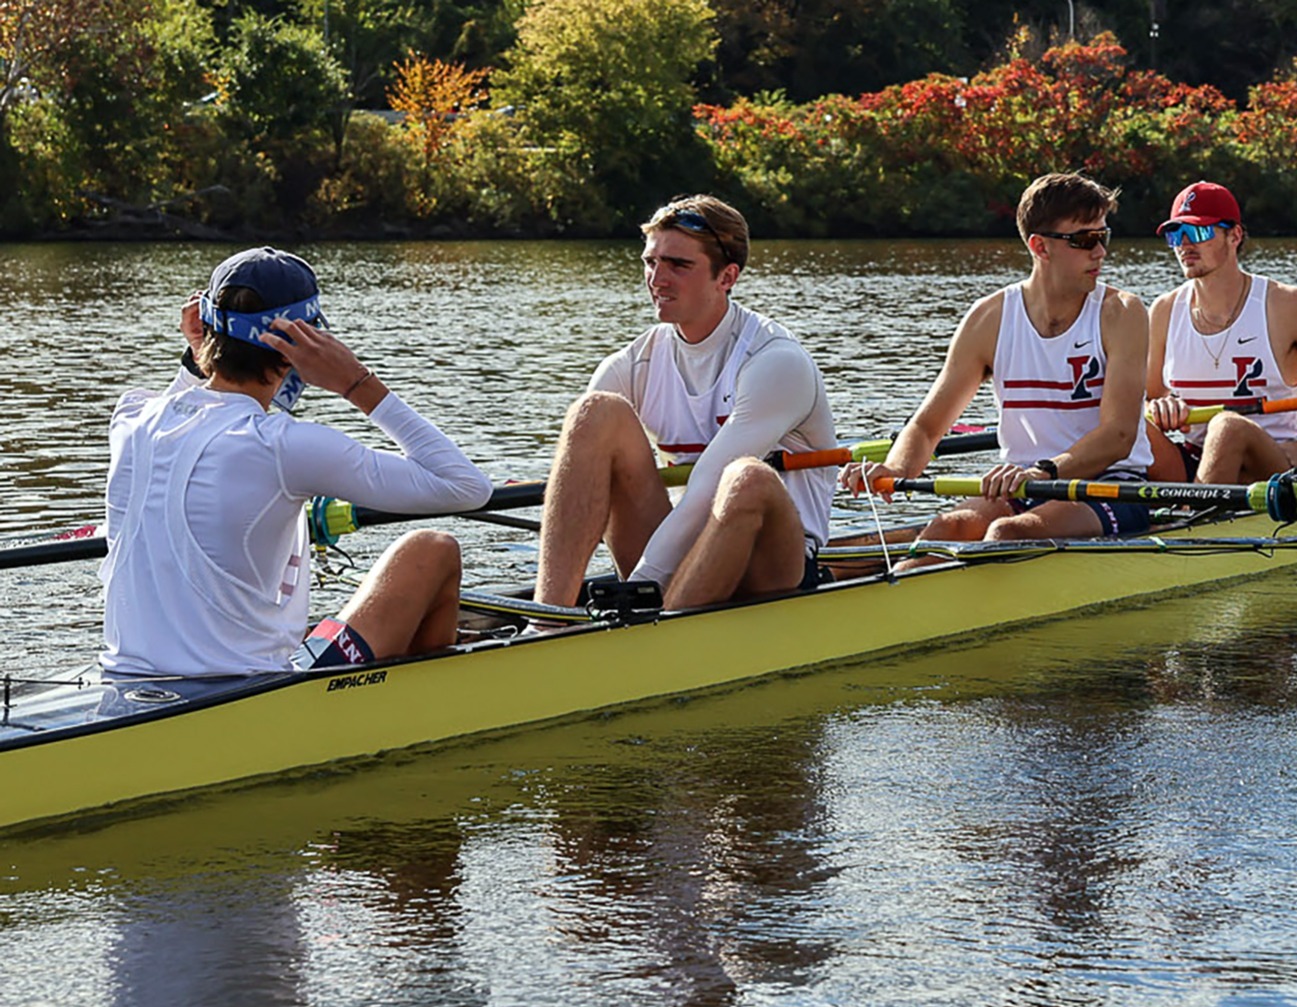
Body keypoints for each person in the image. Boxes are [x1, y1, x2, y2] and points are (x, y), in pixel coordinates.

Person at [101, 247, 492, 679]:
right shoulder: (282, 446)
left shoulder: (133, 418)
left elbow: (190, 405)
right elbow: (466, 487)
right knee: (432, 550)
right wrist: (355, 382)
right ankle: (421, 702)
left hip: (124, 676)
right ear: (303, 347)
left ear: (203, 329)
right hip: (246, 692)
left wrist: (198, 359)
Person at [533, 196, 838, 611]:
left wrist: (638, 589)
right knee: (595, 413)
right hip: (681, 550)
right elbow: (581, 472)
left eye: (678, 265)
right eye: (650, 262)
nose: (657, 279)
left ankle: (654, 629)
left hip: (775, 563)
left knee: (745, 478)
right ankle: (548, 617)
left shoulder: (775, 361)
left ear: (727, 277)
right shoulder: (633, 364)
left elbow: (705, 492)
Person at [838, 172, 1151, 550]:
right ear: (1040, 246)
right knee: (944, 529)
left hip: (1111, 485)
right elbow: (926, 427)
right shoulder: (990, 318)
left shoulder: (1121, 313)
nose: (1100, 252)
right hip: (1023, 485)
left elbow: (1119, 436)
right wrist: (895, 470)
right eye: (1085, 240)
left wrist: (1042, 471)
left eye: (1104, 237)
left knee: (1007, 534)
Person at [1141, 181, 1297, 483]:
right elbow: (1149, 399)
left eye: (1197, 232)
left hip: (1268, 467)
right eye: (1175, 234)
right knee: (1121, 419)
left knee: (1228, 427)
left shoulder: (1286, 305)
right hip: (1191, 457)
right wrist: (1158, 406)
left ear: (1234, 235)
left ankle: (1186, 519)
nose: (1184, 245)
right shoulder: (1164, 310)